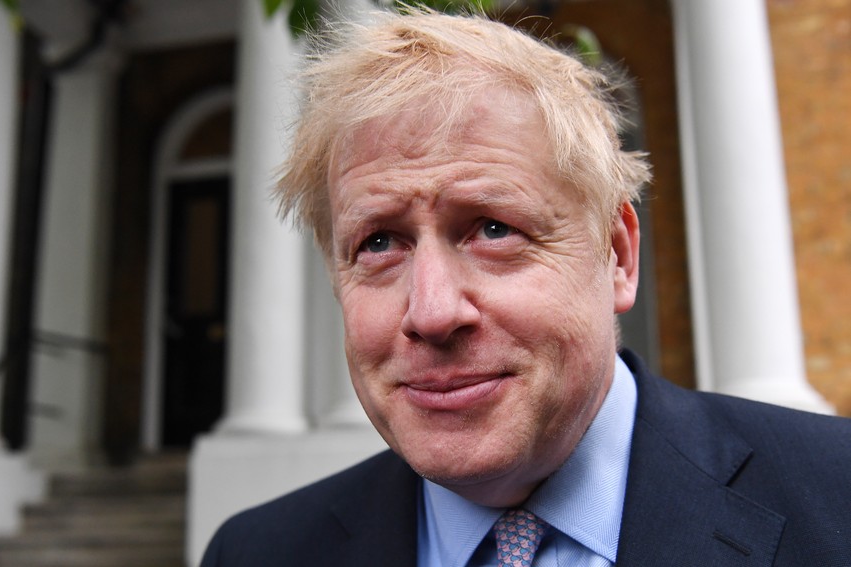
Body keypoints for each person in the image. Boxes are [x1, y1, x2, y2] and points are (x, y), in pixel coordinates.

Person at [201, 8, 851, 567]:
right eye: (378, 242)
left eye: (491, 228)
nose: (431, 312)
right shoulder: (258, 551)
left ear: (616, 254)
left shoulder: (834, 498)